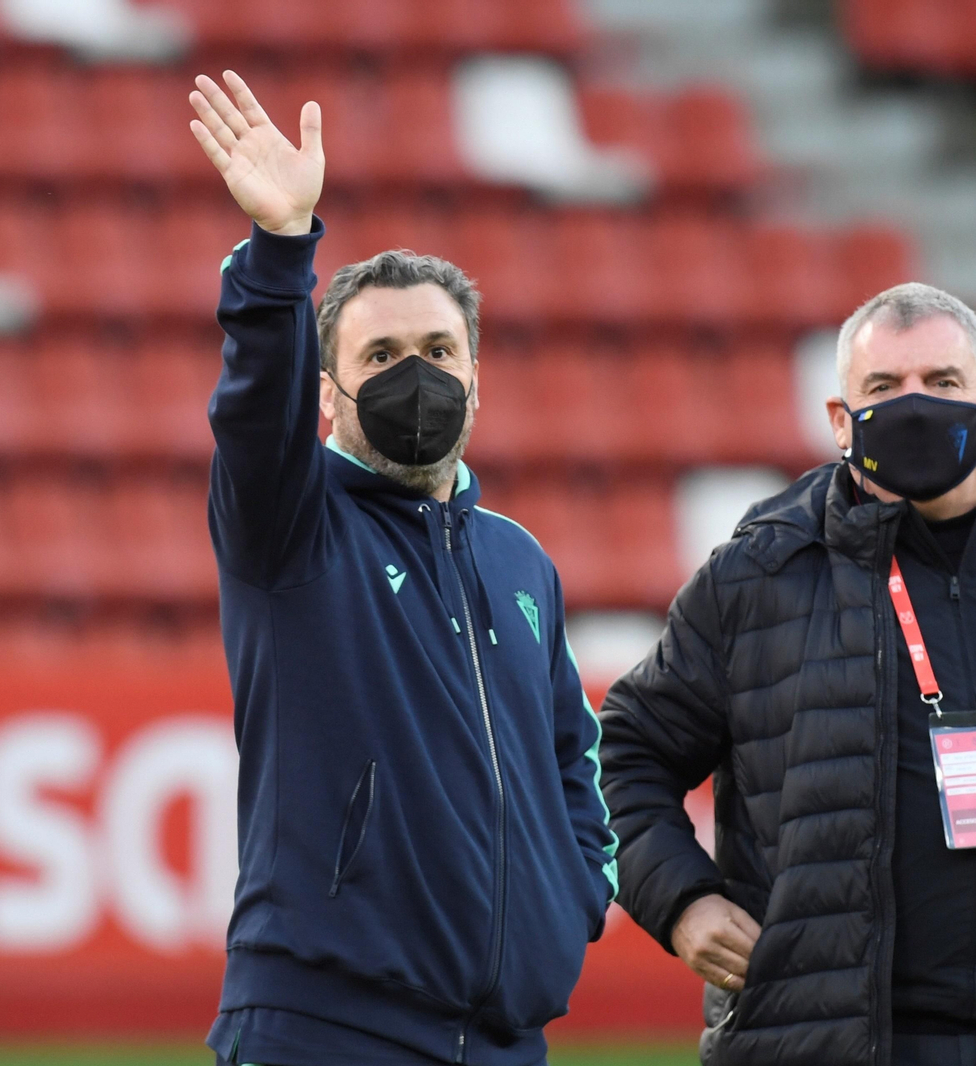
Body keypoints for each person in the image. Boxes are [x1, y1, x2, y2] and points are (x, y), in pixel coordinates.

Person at [599, 283, 976, 1066]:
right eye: (884, 389)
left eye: (944, 383)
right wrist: (681, 899)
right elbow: (620, 754)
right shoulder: (755, 577)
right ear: (839, 422)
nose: (915, 408)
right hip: (828, 1037)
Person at [187, 71, 617, 1066]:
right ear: (328, 395)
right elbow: (254, 410)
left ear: (477, 381)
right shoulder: (288, 528)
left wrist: (573, 892)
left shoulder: (520, 559)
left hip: (508, 1042)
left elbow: (570, 758)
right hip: (324, 1032)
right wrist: (280, 252)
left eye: (437, 348)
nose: (414, 375)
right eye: (380, 356)